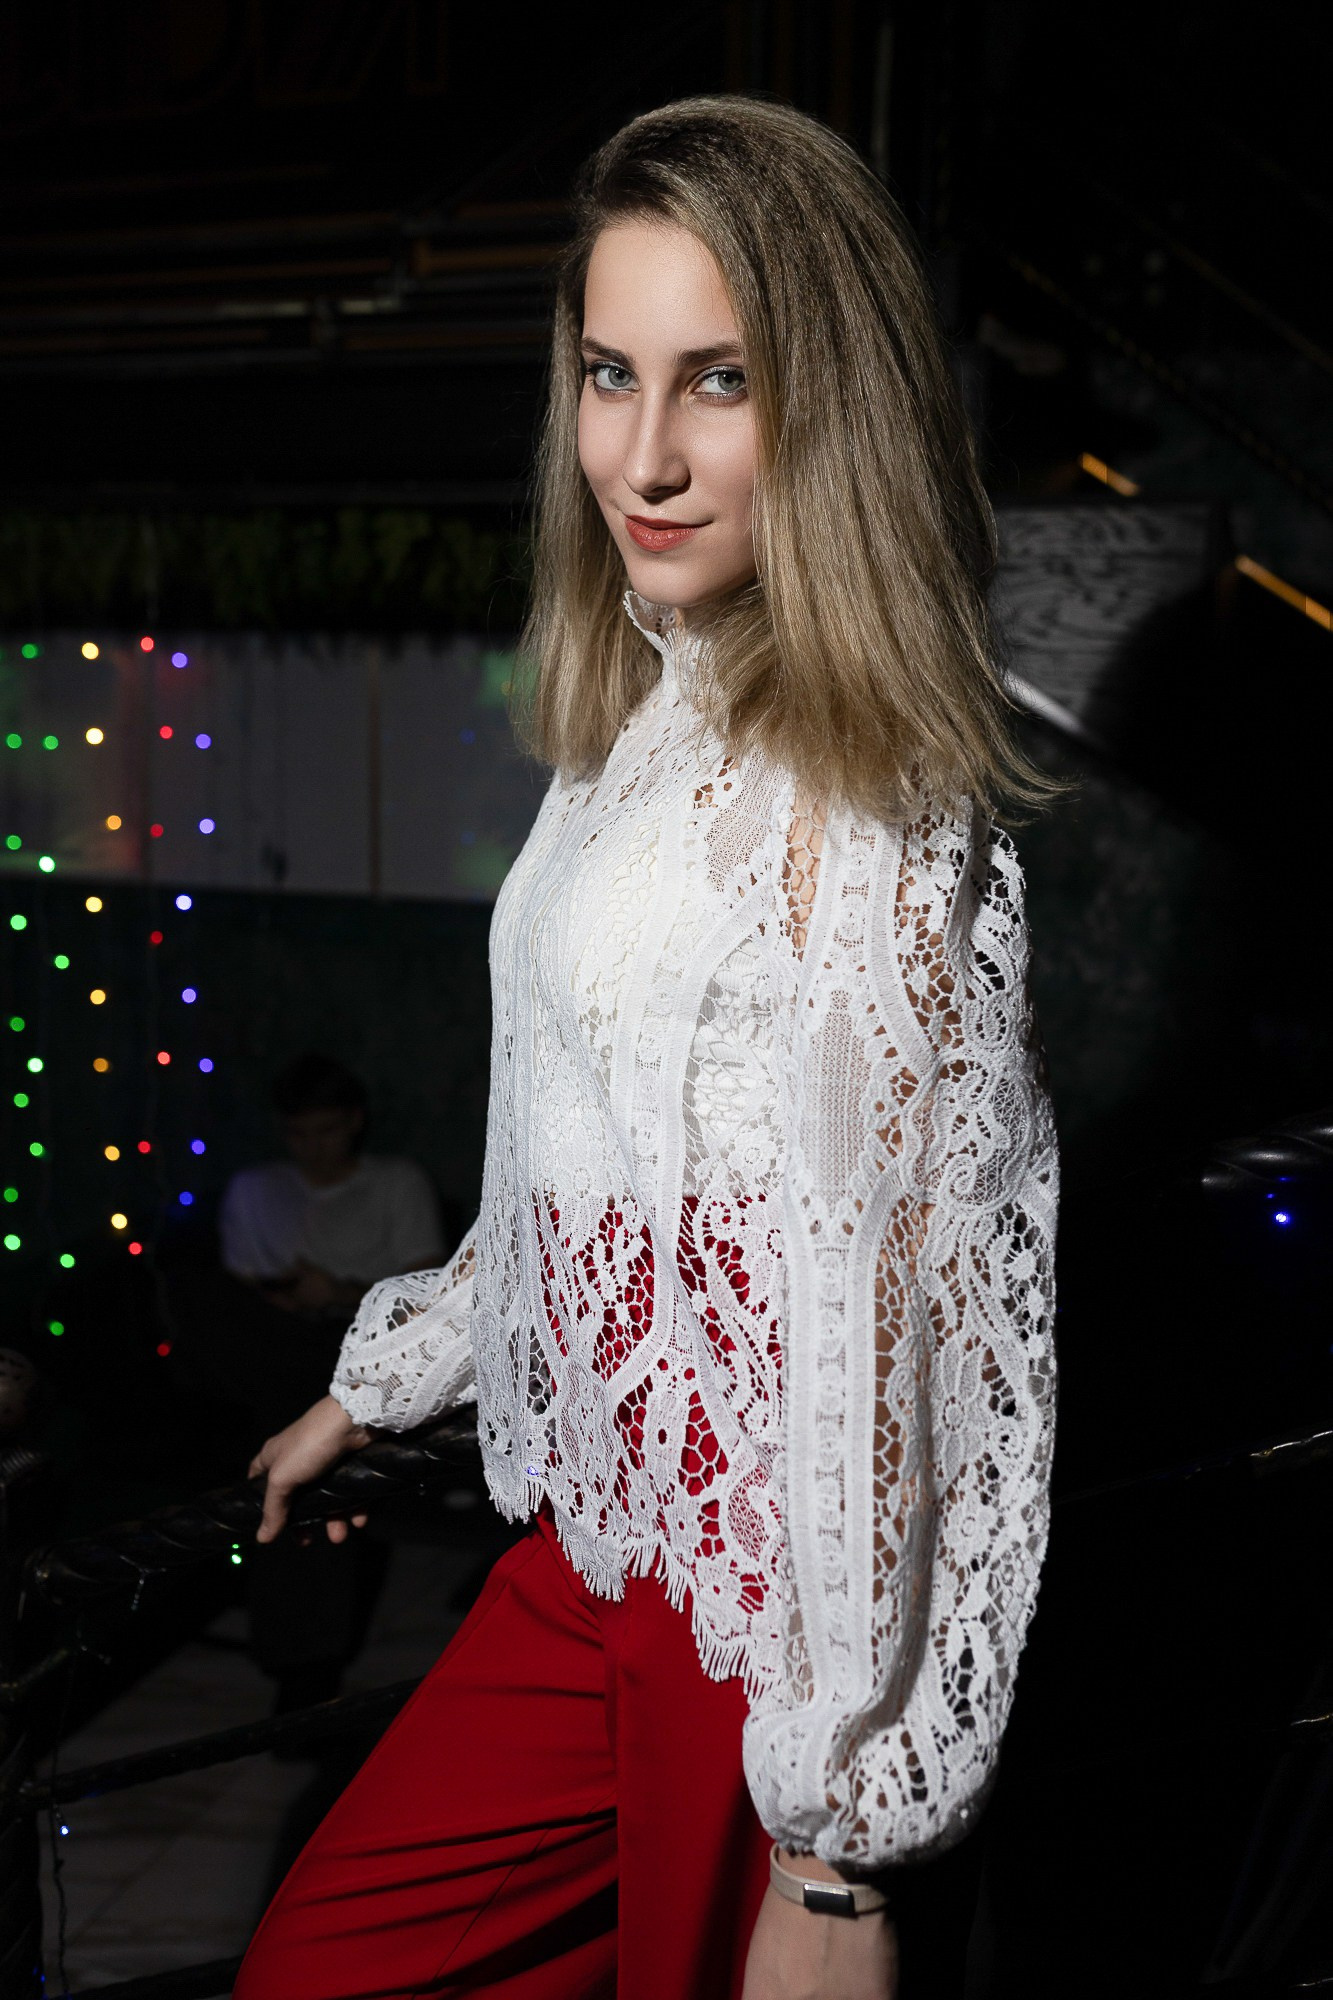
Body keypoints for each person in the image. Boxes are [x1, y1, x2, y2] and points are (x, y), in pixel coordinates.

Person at [237, 96, 1060, 2000]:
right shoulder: (645, 728)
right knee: (319, 1964)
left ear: (833, 410)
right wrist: (391, 1377)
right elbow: (591, 1154)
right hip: (599, 1551)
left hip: (769, 1621)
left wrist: (835, 1854)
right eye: (611, 375)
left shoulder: (868, 813)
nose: (645, 454)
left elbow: (903, 1335)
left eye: (721, 381)